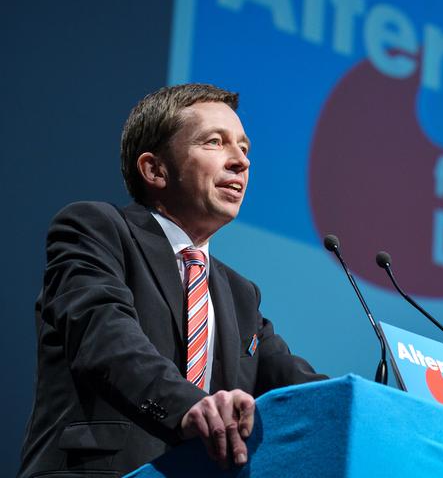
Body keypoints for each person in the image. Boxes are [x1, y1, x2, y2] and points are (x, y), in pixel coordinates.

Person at [18, 84, 326, 477]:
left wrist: (377, 409)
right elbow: (105, 339)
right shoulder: (96, 230)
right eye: (215, 142)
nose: (240, 162)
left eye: (245, 149)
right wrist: (189, 407)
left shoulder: (240, 294)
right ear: (155, 170)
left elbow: (295, 384)